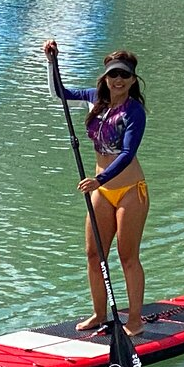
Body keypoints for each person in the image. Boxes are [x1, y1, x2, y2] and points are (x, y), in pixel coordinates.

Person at [43, 40, 149, 336]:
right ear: (105, 77)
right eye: (113, 75)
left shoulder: (134, 112)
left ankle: (135, 321)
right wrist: (52, 63)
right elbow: (59, 94)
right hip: (101, 191)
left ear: (132, 80)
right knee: (94, 254)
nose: (118, 81)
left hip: (129, 190)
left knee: (127, 257)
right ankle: (99, 314)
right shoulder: (94, 99)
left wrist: (99, 180)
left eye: (124, 76)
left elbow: (127, 154)